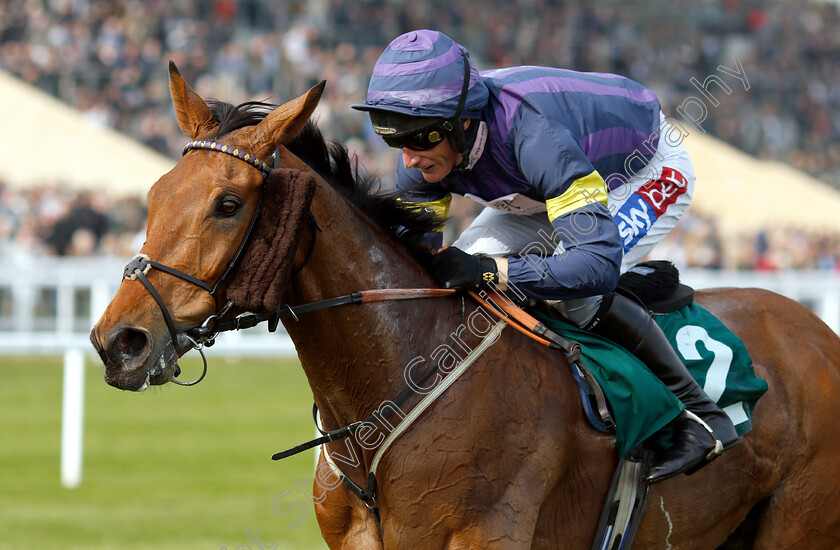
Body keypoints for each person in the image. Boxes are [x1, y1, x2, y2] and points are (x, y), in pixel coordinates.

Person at [352, 29, 737, 484]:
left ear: (460, 123)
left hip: (636, 169)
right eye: (397, 142)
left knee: (573, 294)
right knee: (466, 280)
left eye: (418, 140)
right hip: (538, 189)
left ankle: (703, 418)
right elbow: (414, 262)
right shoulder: (425, 149)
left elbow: (594, 264)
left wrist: (493, 270)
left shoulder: (534, 134)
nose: (409, 160)